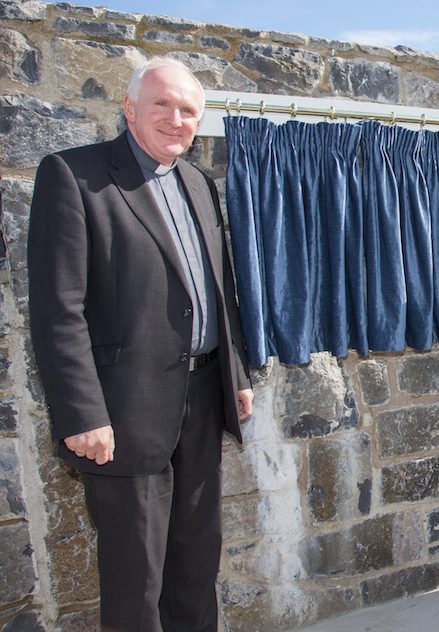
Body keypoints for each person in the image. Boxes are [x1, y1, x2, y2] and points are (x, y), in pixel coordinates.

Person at [28, 57, 254, 631]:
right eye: (163, 104)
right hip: (122, 415)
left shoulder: (200, 185)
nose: (176, 120)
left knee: (196, 563)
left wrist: (237, 375)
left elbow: (215, 290)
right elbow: (59, 310)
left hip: (203, 400)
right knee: (137, 578)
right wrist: (82, 413)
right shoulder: (73, 177)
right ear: (130, 108)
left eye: (188, 111)